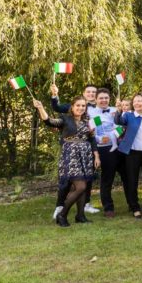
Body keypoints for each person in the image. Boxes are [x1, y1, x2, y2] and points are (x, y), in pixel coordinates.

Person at [34, 96, 100, 227]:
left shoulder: (89, 120)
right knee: (81, 186)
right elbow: (49, 121)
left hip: (86, 155)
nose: (80, 108)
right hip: (71, 155)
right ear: (72, 106)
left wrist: (96, 156)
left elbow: (92, 139)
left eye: (83, 106)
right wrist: (41, 108)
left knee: (83, 186)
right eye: (78, 105)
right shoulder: (65, 119)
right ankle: (62, 215)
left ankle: (80, 216)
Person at [49, 83, 100, 218]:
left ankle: (84, 208)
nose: (91, 94)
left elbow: (93, 134)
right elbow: (57, 107)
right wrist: (55, 94)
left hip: (87, 150)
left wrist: (96, 153)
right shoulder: (75, 105)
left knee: (85, 180)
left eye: (93, 92)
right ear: (83, 93)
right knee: (68, 182)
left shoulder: (100, 108)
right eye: (88, 91)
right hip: (71, 150)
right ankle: (60, 207)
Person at [115, 93, 142, 218]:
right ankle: (134, 207)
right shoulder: (128, 115)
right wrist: (118, 110)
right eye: (135, 101)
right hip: (132, 153)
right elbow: (118, 122)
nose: (137, 103)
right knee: (132, 180)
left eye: (140, 101)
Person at [88, 88, 122, 218]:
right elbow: (88, 130)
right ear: (96, 99)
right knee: (98, 178)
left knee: (115, 177)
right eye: (101, 98)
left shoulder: (115, 110)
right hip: (97, 147)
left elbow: (122, 126)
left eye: (106, 98)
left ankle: (115, 206)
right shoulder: (90, 112)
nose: (103, 100)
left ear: (109, 99)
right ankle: (102, 207)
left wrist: (114, 134)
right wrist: (99, 139)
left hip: (113, 148)